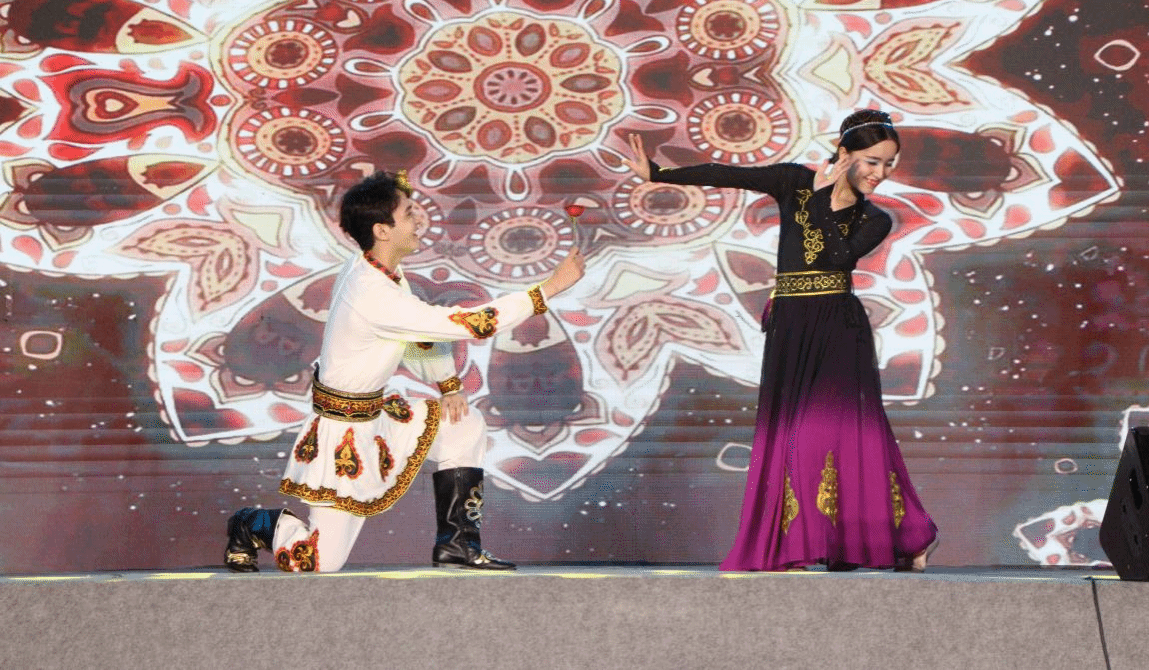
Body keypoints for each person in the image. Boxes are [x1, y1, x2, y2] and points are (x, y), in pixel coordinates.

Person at [622, 108, 938, 571]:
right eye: (872, 161)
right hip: (791, 324)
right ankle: (814, 543)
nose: (881, 173)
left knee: (837, 435)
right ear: (844, 153)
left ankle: (895, 536)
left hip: (836, 327)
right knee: (788, 433)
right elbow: (727, 174)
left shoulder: (875, 219)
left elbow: (835, 257)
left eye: (889, 164)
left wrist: (824, 198)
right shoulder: (793, 181)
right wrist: (659, 174)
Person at [223, 170, 585, 573]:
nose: (419, 221)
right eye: (409, 213)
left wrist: (448, 385)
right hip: (344, 436)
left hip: (376, 414)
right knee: (320, 562)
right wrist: (548, 289)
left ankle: (458, 546)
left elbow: (416, 337)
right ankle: (250, 524)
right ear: (382, 230)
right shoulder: (372, 291)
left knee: (463, 424)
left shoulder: (377, 270)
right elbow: (466, 324)